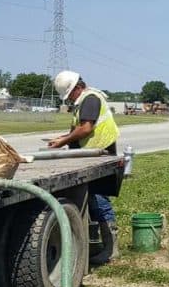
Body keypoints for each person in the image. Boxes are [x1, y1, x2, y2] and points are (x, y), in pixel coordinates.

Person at [48, 70, 121, 264]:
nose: (69, 98)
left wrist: (63, 141)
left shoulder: (90, 99)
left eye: (70, 93)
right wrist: (63, 139)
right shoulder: (83, 102)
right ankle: (98, 245)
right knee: (92, 200)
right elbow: (78, 129)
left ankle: (111, 248)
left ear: (77, 87)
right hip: (91, 155)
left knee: (98, 200)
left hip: (99, 155)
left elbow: (86, 128)